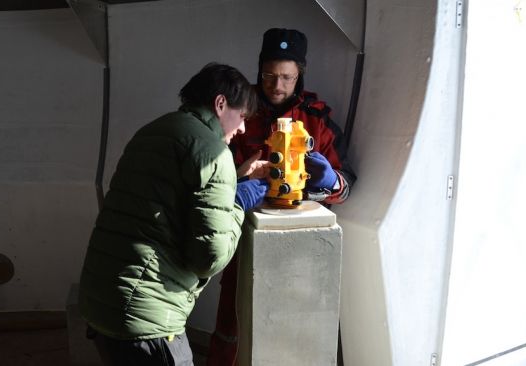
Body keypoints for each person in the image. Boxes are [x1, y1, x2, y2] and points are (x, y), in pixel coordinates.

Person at [78, 63, 269, 366]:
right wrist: (237, 202)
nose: (243, 128)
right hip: (146, 319)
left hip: (101, 301)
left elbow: (170, 204)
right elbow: (209, 257)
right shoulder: (214, 153)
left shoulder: (154, 131)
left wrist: (236, 183)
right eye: (242, 116)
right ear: (220, 104)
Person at [207, 28, 357, 365]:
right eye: (270, 76)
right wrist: (238, 183)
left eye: (287, 78)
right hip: (243, 236)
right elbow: (209, 181)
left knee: (294, 327)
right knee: (233, 322)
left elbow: (346, 186)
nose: (277, 86)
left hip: (301, 249)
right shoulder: (239, 114)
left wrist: (330, 180)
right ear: (259, 71)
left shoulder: (318, 119)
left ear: (300, 75)